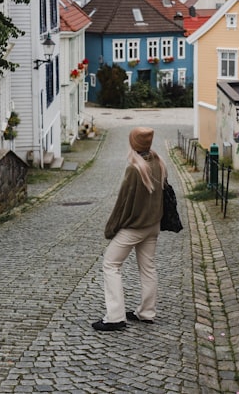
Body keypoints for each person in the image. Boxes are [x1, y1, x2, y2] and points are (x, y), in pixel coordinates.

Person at [92, 126, 165, 331]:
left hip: (135, 227)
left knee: (111, 264)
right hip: (153, 226)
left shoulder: (134, 168)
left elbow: (122, 204)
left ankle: (115, 317)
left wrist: (111, 228)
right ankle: (146, 313)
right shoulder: (158, 161)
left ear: (134, 143)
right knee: (148, 268)